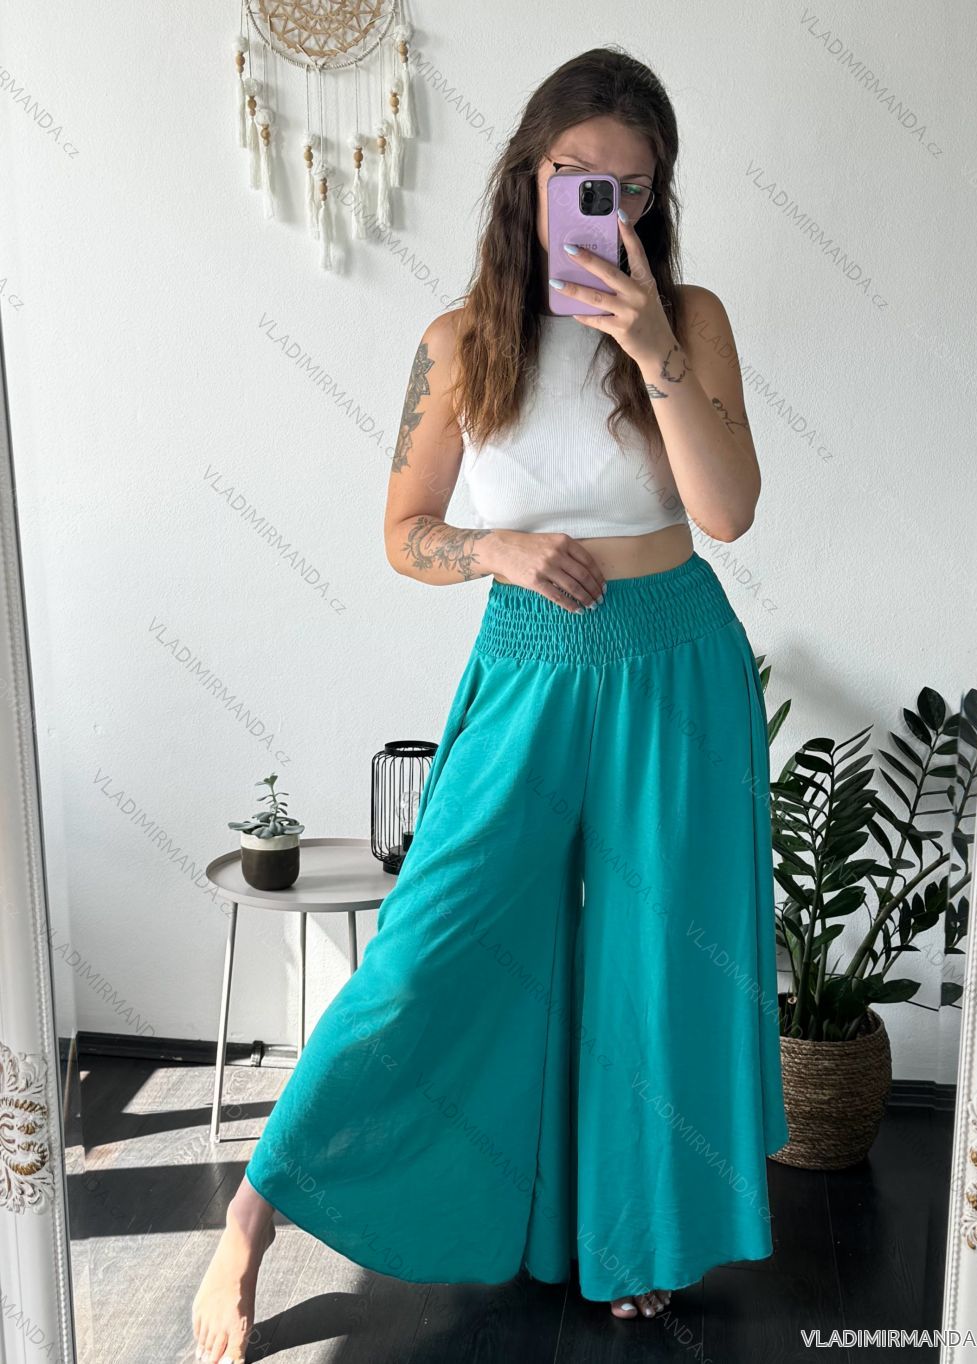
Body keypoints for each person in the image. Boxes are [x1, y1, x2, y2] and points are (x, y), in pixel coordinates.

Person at [192, 44, 788, 1364]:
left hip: (676, 668)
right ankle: (250, 1219)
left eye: (633, 187)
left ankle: (634, 1239)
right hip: (527, 662)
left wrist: (650, 347)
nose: (604, 206)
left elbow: (730, 511)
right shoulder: (459, 344)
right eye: (577, 175)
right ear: (527, 173)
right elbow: (403, 531)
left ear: (657, 198)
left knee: (652, 973)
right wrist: (495, 549)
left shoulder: (689, 320)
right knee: (426, 949)